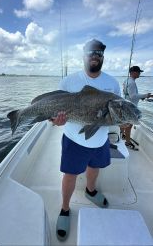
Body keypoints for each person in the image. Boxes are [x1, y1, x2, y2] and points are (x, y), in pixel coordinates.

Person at [51, 39, 121, 241]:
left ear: (103, 57)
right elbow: (53, 114)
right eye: (91, 52)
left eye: (99, 53)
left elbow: (119, 109)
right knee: (70, 175)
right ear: (83, 56)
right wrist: (56, 121)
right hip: (74, 140)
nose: (94, 56)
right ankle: (65, 209)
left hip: (99, 140)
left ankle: (90, 191)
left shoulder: (112, 83)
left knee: (94, 168)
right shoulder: (69, 81)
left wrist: (124, 120)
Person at [122, 65, 152, 149]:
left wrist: (141, 97)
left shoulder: (126, 80)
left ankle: (123, 135)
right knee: (129, 125)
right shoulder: (131, 82)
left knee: (125, 122)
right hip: (131, 108)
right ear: (133, 72)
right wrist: (146, 95)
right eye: (138, 72)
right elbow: (133, 96)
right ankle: (127, 142)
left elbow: (128, 94)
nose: (139, 73)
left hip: (126, 105)